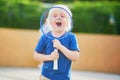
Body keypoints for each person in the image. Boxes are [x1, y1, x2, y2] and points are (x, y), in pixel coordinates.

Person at [34, 4, 80, 80]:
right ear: (49, 21)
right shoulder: (44, 37)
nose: (58, 17)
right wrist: (49, 57)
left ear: (69, 21)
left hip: (63, 78)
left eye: (62, 16)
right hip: (45, 76)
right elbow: (36, 55)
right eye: (54, 16)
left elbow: (75, 57)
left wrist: (61, 47)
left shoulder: (71, 37)